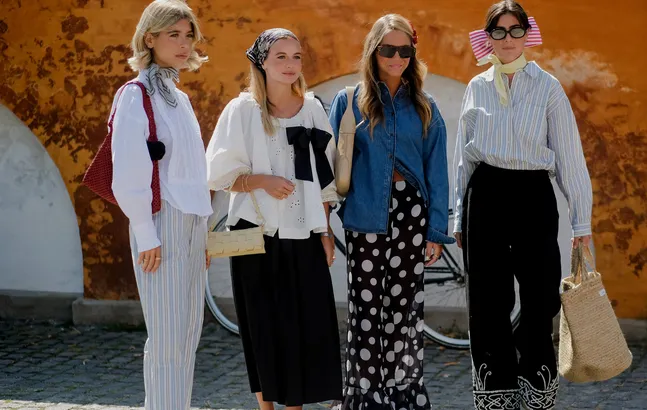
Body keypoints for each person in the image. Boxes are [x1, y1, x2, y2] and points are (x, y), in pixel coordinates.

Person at [453, 1, 593, 409]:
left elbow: (569, 157)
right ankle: (496, 391)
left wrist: (581, 223)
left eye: (516, 30)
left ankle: (535, 384)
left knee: (541, 296)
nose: (508, 39)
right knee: (487, 299)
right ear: (489, 37)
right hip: (485, 194)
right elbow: (463, 157)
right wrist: (459, 215)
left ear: (527, 34)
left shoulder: (548, 87)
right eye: (499, 31)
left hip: (533, 195)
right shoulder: (477, 86)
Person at [206, 28, 342, 410]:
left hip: (304, 234)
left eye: (296, 56)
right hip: (254, 234)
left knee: (304, 328)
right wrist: (261, 181)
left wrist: (326, 232)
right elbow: (218, 175)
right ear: (261, 62)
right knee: (262, 329)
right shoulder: (241, 111)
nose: (290, 64)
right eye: (280, 56)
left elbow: (325, 179)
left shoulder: (313, 109)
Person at [328, 13, 454, 410]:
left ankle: (404, 393)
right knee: (366, 307)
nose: (397, 57)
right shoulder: (350, 101)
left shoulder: (425, 106)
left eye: (405, 50)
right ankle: (366, 396)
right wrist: (324, 221)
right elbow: (329, 163)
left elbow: (437, 171)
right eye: (388, 50)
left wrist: (436, 231)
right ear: (373, 51)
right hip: (366, 212)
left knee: (404, 308)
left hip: (412, 215)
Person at [109, 1, 212, 408]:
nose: (184, 44)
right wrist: (145, 232)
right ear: (149, 38)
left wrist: (203, 232)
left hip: (192, 223)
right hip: (160, 222)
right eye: (174, 35)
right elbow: (128, 170)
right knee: (167, 338)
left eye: (188, 36)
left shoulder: (178, 97)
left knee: (187, 337)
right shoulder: (134, 95)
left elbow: (193, 170)